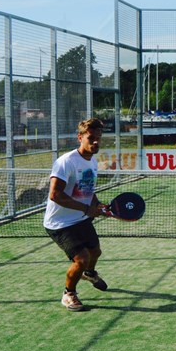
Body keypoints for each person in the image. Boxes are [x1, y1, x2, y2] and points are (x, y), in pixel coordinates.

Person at [43, 118, 110, 311]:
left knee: (95, 252)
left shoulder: (93, 162)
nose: (95, 142)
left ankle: (89, 273)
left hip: (80, 218)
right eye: (91, 138)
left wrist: (98, 205)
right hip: (60, 223)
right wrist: (86, 209)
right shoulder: (66, 162)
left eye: (98, 138)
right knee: (81, 259)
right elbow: (55, 195)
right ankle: (68, 293)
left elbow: (87, 189)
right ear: (80, 137)